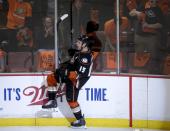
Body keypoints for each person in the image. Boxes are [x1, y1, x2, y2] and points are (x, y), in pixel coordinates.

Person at [42, 35, 94, 128]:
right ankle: (52, 101)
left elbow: (79, 74)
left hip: (77, 81)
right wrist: (62, 67)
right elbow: (70, 64)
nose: (76, 43)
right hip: (71, 76)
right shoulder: (78, 53)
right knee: (51, 77)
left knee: (72, 101)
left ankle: (81, 121)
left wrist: (65, 73)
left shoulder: (86, 58)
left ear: (85, 45)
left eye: (78, 42)